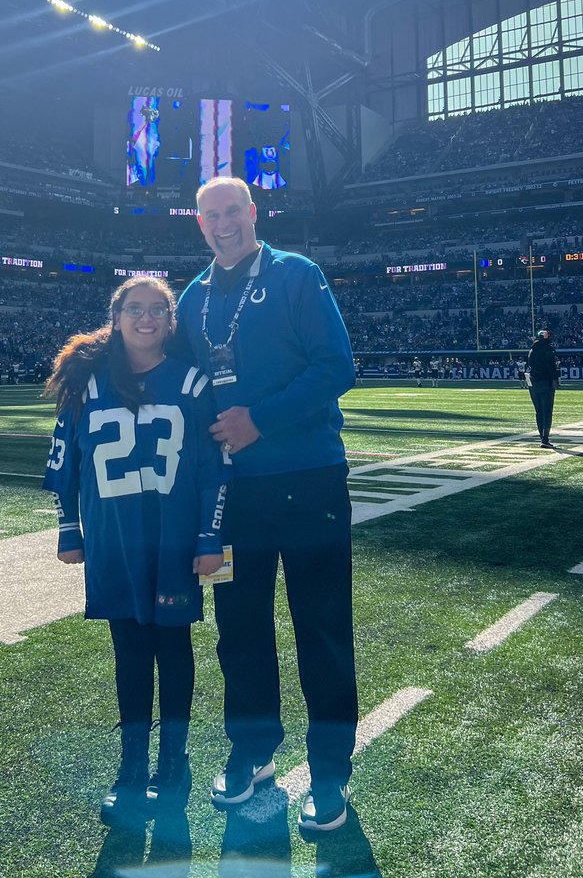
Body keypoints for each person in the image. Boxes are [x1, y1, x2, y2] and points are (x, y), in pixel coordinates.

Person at [172, 176, 358, 836]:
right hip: (228, 499)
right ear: (199, 224)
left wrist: (262, 420)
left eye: (233, 212)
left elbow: (337, 366)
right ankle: (252, 750)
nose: (224, 224)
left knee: (323, 626)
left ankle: (330, 771)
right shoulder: (191, 299)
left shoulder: (297, 275)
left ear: (254, 213)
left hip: (310, 481)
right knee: (238, 628)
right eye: (211, 216)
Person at [43, 277, 226, 826]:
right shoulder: (87, 382)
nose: (145, 320)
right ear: (117, 316)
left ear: (171, 321)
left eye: (157, 311)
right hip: (114, 538)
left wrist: (209, 536)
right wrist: (68, 529)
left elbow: (213, 467)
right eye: (135, 310)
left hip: (172, 539)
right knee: (128, 652)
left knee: (173, 650)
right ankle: (130, 768)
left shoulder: (193, 383)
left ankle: (173, 763)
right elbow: (65, 462)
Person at [526, 328, 559, 448]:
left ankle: (541, 437)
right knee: (547, 411)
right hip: (545, 382)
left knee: (539, 411)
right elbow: (551, 366)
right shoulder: (548, 349)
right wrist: (555, 380)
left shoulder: (532, 349)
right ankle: (545, 439)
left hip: (533, 383)